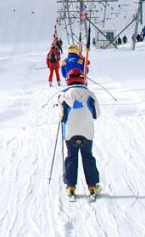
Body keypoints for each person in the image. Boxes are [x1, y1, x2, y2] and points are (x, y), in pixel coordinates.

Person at [58, 68, 101, 197]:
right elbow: (96, 114)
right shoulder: (90, 95)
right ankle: (92, 186)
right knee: (88, 157)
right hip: (87, 132)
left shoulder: (63, 95)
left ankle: (70, 186)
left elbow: (61, 116)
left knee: (71, 157)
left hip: (70, 133)